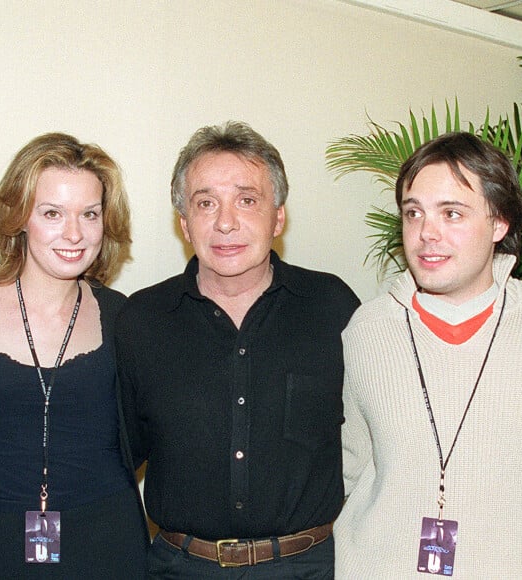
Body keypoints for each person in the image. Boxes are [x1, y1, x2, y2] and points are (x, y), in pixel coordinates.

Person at [115, 121, 360, 579]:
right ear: (184, 223)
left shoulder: (333, 307)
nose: (225, 222)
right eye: (206, 203)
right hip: (180, 567)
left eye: (247, 200)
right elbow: (114, 459)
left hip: (307, 567)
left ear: (278, 216)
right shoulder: (142, 319)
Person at [335, 132, 522, 578]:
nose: (427, 233)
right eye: (414, 213)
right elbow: (348, 467)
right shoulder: (367, 331)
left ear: (499, 223)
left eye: (451, 213)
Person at [0, 133, 149, 579]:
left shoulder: (125, 318)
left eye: (89, 214)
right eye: (52, 213)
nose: (74, 233)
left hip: (109, 548)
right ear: (19, 217)